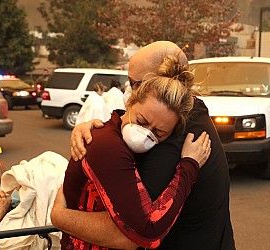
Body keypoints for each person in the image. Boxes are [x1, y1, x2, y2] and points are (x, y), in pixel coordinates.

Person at [52, 41, 236, 250]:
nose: (129, 91)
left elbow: (129, 234)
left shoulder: (177, 139)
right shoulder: (191, 111)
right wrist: (94, 127)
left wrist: (60, 216)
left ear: (163, 83)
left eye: (134, 83)